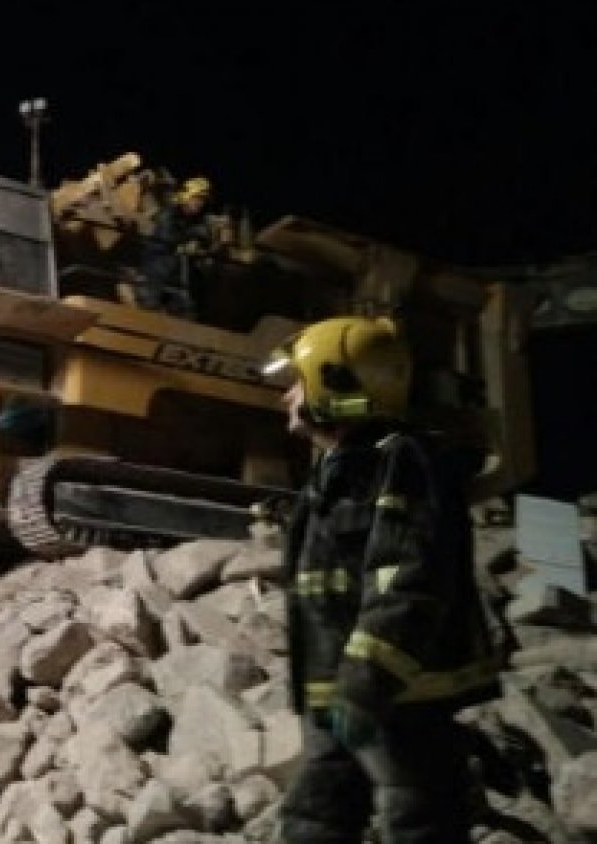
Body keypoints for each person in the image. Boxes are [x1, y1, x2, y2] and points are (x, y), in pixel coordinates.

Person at [263, 316, 502, 843]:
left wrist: (365, 683)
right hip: (342, 691)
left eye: (296, 384)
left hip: (396, 694)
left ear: (334, 383)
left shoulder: (399, 463)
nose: (286, 399)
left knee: (419, 818)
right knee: (316, 815)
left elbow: (406, 580)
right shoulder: (336, 470)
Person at [137, 175, 213, 319]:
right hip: (156, 272)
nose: (199, 203)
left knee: (186, 311)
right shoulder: (169, 214)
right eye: (196, 198)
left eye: (202, 200)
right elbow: (167, 238)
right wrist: (187, 241)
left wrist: (198, 242)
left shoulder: (197, 220)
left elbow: (204, 236)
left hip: (178, 277)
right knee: (149, 311)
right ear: (186, 196)